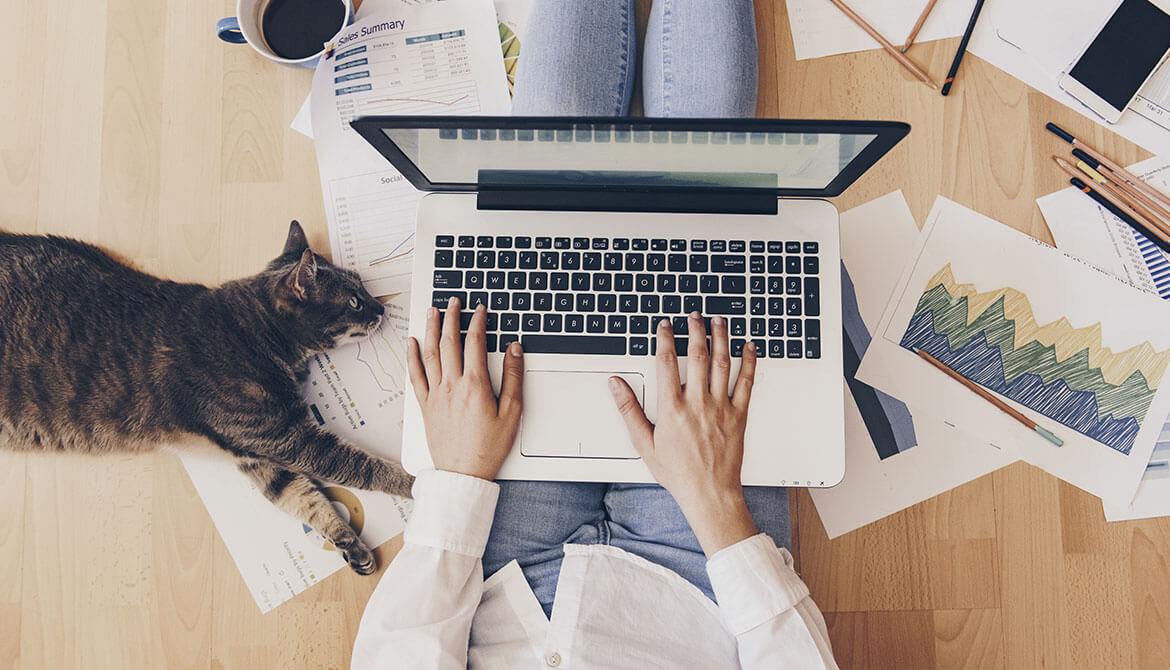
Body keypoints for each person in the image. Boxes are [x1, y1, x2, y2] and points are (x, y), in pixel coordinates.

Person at [352, 2, 838, 667]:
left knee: (547, 181)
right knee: (710, 197)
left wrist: (459, 480)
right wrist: (718, 505)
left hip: (501, 587)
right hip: (701, 592)